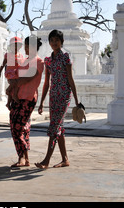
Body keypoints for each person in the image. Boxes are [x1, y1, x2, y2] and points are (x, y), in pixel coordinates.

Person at [36, 30, 79, 169]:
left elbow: (71, 80)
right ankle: (65, 159)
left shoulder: (66, 58)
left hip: (64, 96)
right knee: (58, 127)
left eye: (57, 40)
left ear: (62, 42)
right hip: (53, 97)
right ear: (49, 42)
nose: (54, 43)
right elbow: (47, 83)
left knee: (54, 127)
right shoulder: (48, 61)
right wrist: (42, 102)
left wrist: (77, 102)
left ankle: (46, 160)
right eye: (52, 40)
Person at [8, 35, 44, 167]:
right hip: (17, 97)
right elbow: (15, 76)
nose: (27, 49)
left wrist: (13, 85)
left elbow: (26, 78)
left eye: (30, 46)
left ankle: (23, 157)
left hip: (28, 98)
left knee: (18, 127)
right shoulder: (24, 61)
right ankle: (23, 158)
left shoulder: (38, 62)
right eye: (26, 46)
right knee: (16, 127)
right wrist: (12, 91)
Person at [0, 36, 24, 108]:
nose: (15, 48)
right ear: (11, 46)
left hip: (17, 74)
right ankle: (8, 90)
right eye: (14, 46)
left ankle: (8, 103)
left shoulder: (20, 55)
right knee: (13, 84)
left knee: (16, 87)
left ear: (20, 47)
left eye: (17, 46)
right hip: (10, 73)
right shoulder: (8, 55)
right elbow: (3, 64)